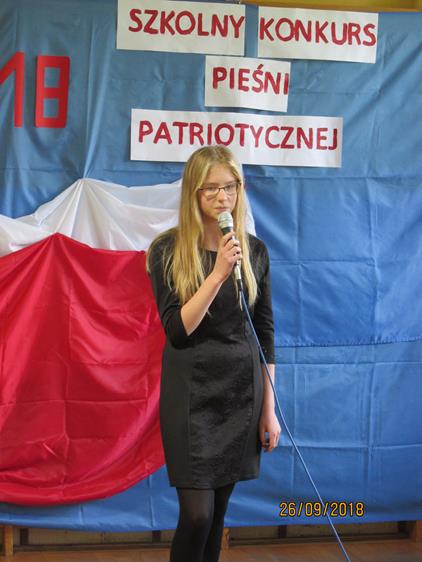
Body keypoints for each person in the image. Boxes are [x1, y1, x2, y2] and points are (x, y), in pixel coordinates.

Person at [147, 145, 281, 562]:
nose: (224, 197)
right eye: (212, 189)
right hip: (191, 398)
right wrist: (218, 273)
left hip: (240, 395)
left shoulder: (254, 251)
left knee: (217, 514)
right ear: (194, 193)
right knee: (197, 515)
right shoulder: (166, 251)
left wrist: (269, 410)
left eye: (231, 187)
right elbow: (177, 331)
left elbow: (264, 333)